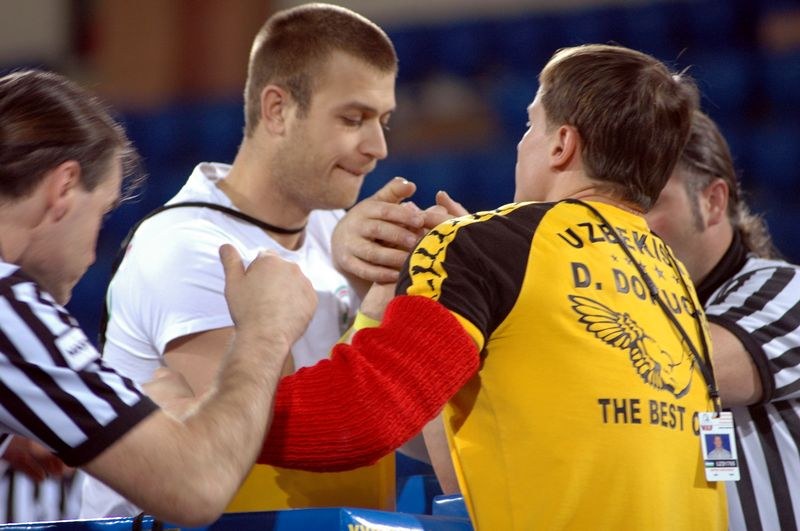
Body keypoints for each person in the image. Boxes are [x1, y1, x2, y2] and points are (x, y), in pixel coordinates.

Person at [257, 43, 725, 529]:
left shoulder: (482, 247)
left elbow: (359, 418)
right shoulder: (674, 282)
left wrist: (219, 416)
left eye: (530, 125)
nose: (521, 144)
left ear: (562, 145)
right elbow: (466, 474)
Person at [80, 2, 442, 517]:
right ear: (277, 110)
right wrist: (382, 309)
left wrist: (416, 293)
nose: (378, 146)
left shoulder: (338, 234)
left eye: (383, 121)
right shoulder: (186, 246)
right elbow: (285, 439)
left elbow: (417, 434)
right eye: (353, 118)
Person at [0, 69, 318, 526]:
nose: (93, 250)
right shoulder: (9, 309)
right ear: (64, 187)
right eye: (103, 212)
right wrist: (265, 331)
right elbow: (196, 487)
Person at [646, 110, 800, 531]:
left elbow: (670, 368)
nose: (624, 228)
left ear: (712, 201)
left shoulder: (787, 292)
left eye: (646, 201)